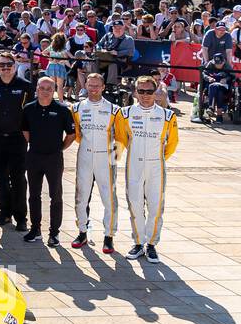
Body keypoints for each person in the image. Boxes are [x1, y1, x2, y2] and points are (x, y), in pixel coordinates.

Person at [114, 76, 179, 262]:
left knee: (155, 206)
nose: (145, 95)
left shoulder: (167, 115)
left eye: (149, 91)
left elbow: (172, 143)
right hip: (134, 165)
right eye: (141, 91)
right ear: (135, 92)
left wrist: (158, 158)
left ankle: (151, 244)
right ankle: (138, 243)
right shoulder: (124, 114)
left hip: (156, 166)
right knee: (134, 204)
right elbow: (121, 138)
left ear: (155, 91)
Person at [20, 76, 77, 246]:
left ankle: (54, 233)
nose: (45, 91)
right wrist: (36, 145)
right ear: (36, 89)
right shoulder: (28, 108)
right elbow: (25, 131)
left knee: (56, 196)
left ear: (54, 91)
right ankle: (35, 229)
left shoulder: (62, 110)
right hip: (34, 157)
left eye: (49, 88)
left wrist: (59, 148)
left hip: (54, 158)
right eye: (42, 88)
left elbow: (72, 135)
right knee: (34, 195)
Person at [71, 72, 120, 253]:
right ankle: (82, 231)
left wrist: (113, 158)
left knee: (109, 198)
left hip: (105, 157)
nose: (93, 89)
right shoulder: (76, 108)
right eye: (90, 85)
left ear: (103, 87)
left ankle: (109, 236)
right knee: (81, 196)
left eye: (96, 85)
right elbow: (77, 135)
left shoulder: (114, 110)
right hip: (84, 154)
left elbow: (121, 137)